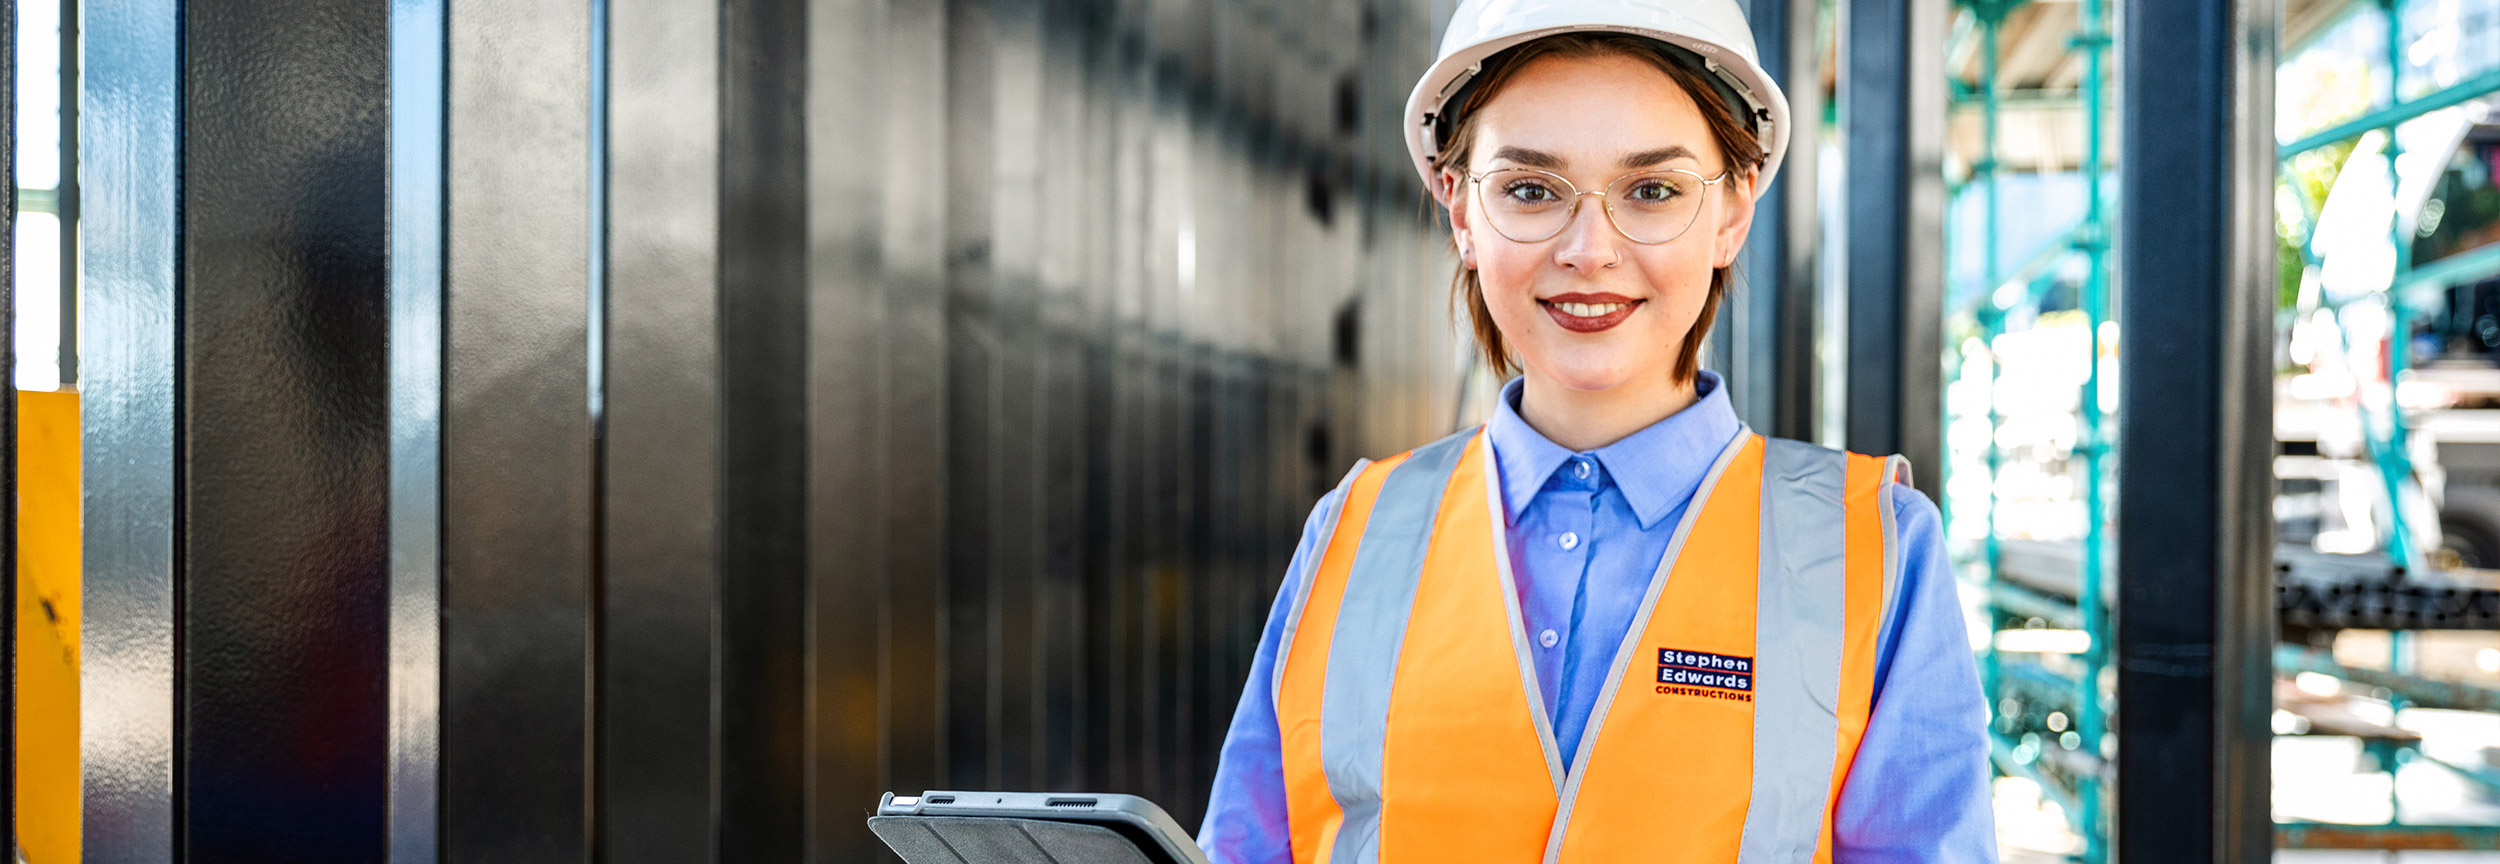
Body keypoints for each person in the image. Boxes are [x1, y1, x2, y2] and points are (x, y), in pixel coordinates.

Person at [1197, 1, 1995, 862]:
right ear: (1462, 212)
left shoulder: (1877, 550)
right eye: (1531, 190)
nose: (1589, 248)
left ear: (1733, 212)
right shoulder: (1352, 532)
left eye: (1651, 190)